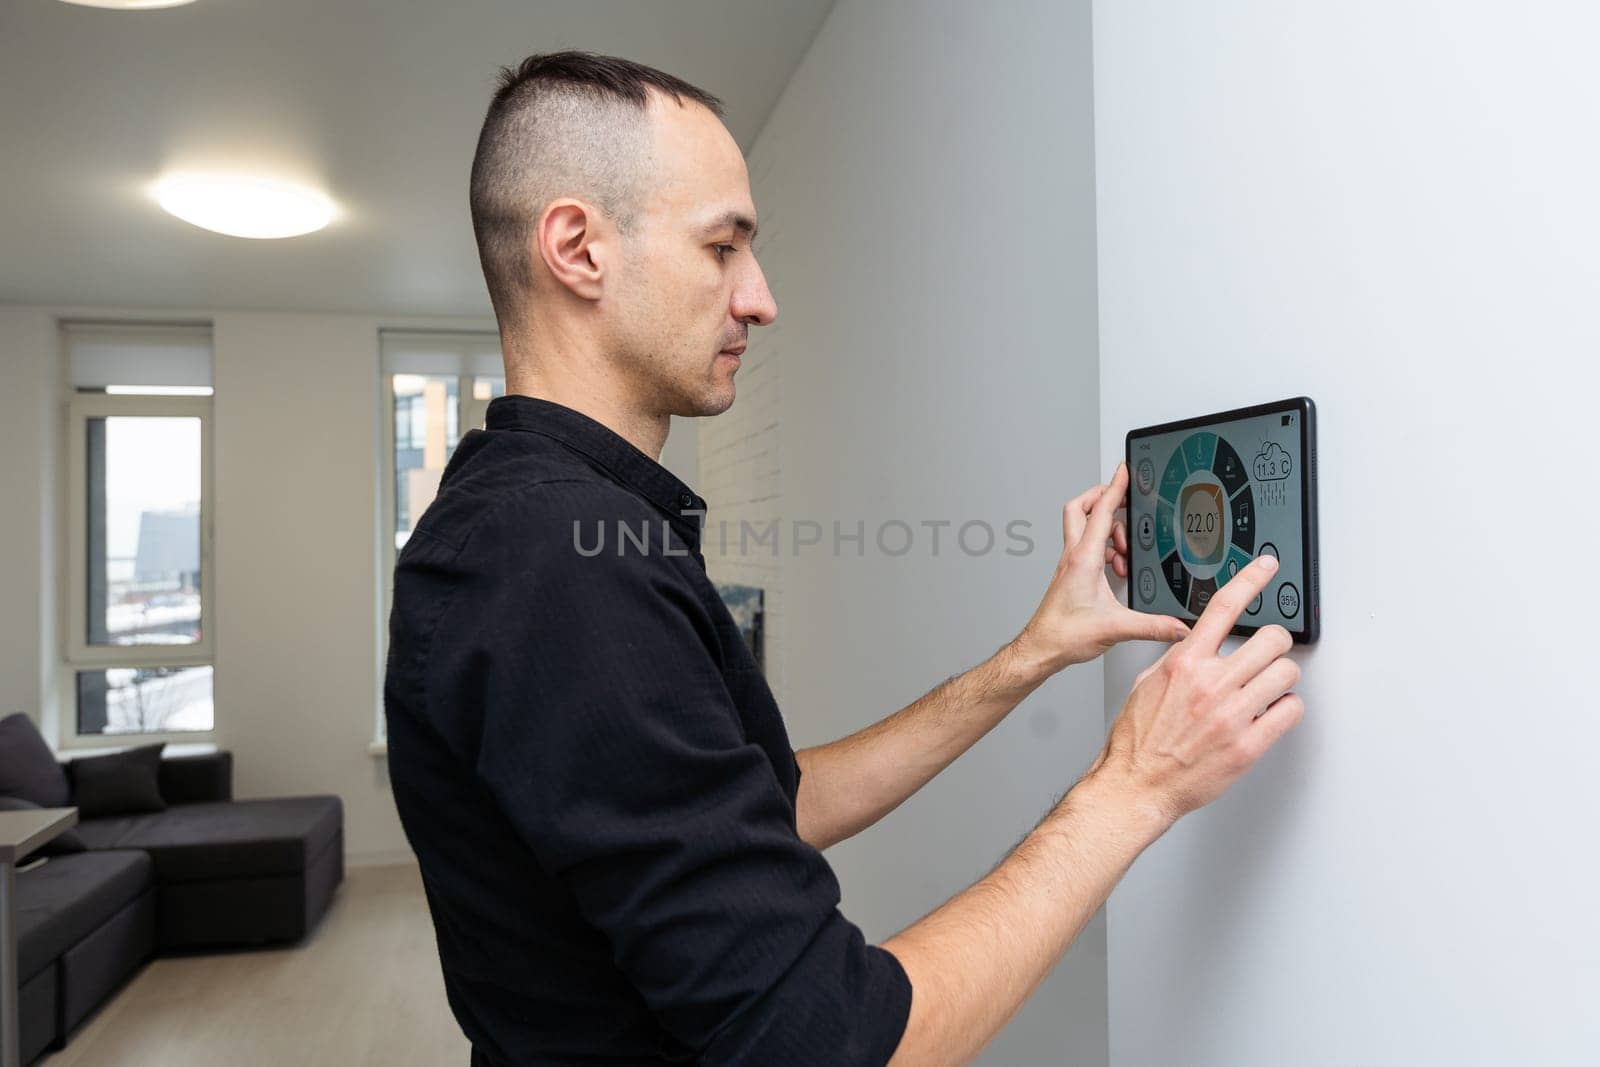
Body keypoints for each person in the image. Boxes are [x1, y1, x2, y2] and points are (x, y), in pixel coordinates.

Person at [383, 50, 1305, 1067]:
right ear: (579, 248)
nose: (760, 298)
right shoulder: (551, 563)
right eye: (723, 246)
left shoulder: (552, 527)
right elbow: (828, 1038)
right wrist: (1137, 783)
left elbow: (776, 803)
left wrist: (1033, 653)